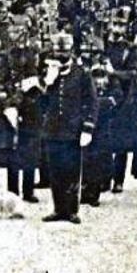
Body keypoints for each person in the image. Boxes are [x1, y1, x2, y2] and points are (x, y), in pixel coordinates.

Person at [39, 31, 99, 224]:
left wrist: (88, 127)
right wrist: (47, 83)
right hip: (52, 130)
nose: (61, 56)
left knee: (72, 171)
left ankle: (72, 210)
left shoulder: (82, 74)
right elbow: (40, 103)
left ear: (71, 52)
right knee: (55, 171)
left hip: (73, 131)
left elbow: (92, 102)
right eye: (58, 52)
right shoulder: (48, 74)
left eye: (64, 53)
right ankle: (58, 209)